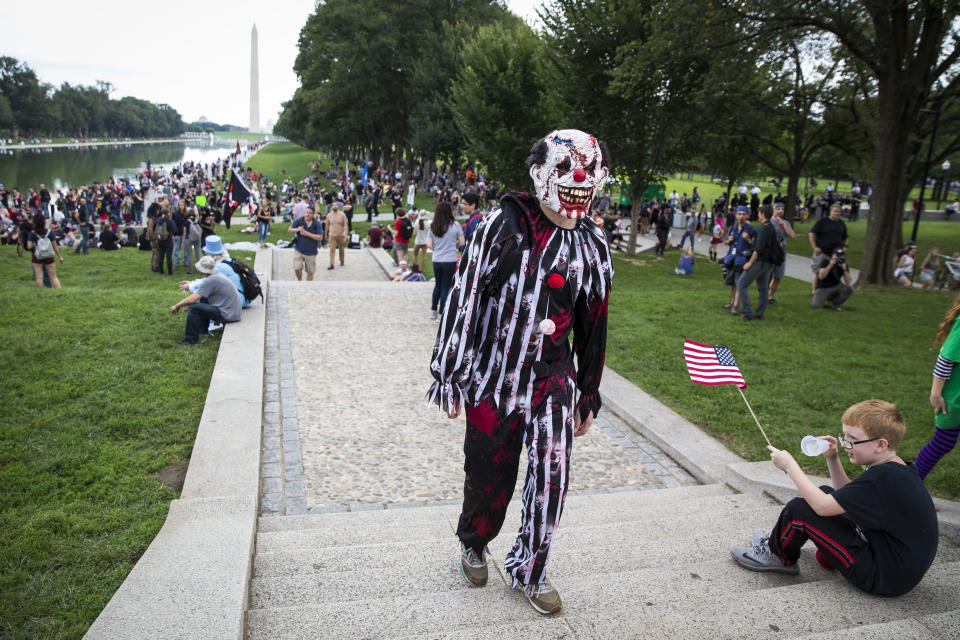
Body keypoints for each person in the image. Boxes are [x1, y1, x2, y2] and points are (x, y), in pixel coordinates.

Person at [429, 129, 612, 615]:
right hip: (495, 373)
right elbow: (463, 301)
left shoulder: (592, 245)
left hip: (553, 378)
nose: (578, 179)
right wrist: (450, 372)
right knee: (489, 472)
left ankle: (530, 568)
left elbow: (595, 321)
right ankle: (475, 539)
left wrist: (588, 392)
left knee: (554, 473)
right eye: (566, 169)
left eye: (588, 171)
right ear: (538, 174)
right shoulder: (499, 226)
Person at [731, 400, 937, 597]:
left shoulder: (881, 478)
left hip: (881, 577)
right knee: (826, 491)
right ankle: (781, 543)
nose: (845, 444)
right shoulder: (894, 468)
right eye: (843, 436)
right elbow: (847, 494)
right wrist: (833, 458)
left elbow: (821, 507)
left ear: (881, 444)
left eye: (852, 440)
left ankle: (778, 556)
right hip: (892, 566)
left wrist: (790, 466)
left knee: (800, 510)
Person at [915, 294, 960, 479]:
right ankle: (911, 485)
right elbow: (945, 359)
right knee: (943, 442)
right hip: (954, 400)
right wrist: (935, 394)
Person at [170, 255, 242, 345]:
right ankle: (202, 330)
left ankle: (191, 339)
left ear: (202, 270)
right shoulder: (216, 275)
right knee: (202, 299)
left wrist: (177, 305)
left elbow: (193, 299)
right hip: (232, 312)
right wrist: (187, 302)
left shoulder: (211, 280)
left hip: (228, 314)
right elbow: (199, 294)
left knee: (193, 308)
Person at [736, 204, 778, 320]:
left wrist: (749, 263)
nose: (758, 215)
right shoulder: (770, 227)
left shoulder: (764, 228)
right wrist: (750, 240)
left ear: (763, 214)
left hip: (760, 262)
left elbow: (758, 250)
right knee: (763, 287)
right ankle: (759, 313)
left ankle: (747, 312)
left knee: (741, 283)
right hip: (768, 263)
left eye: (759, 213)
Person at [426, 201, 464, 320]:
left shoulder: (433, 226)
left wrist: (438, 248)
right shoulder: (456, 225)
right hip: (450, 259)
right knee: (445, 286)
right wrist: (454, 246)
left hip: (437, 259)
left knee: (437, 285)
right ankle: (442, 313)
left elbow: (429, 245)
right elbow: (462, 242)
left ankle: (433, 310)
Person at [722, 207, 756, 314]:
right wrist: (728, 241)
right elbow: (726, 242)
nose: (741, 216)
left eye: (744, 214)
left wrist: (748, 240)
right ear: (736, 215)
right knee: (731, 282)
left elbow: (756, 247)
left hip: (742, 260)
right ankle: (733, 301)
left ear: (747, 216)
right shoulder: (732, 228)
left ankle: (736, 306)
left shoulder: (752, 230)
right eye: (739, 214)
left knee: (739, 282)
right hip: (731, 258)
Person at [809, 204, 848, 291]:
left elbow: (846, 237)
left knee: (836, 271)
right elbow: (812, 233)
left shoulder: (841, 223)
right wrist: (815, 246)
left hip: (836, 253)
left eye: (838, 212)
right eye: (835, 211)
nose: (837, 213)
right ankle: (814, 290)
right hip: (823, 252)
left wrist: (845, 247)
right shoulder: (822, 222)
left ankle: (832, 291)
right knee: (818, 272)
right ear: (830, 212)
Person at [767, 202, 796, 304]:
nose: (780, 211)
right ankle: (764, 295)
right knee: (766, 275)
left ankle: (771, 296)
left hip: (781, 254)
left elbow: (792, 235)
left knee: (778, 276)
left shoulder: (786, 223)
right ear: (773, 209)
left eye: (782, 209)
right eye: (778, 209)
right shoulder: (768, 222)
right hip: (770, 254)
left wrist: (783, 224)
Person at [26, 213, 63, 288]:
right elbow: (55, 246)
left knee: (39, 277)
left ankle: (40, 294)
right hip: (49, 256)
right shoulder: (50, 232)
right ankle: (60, 292)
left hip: (37, 256)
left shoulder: (32, 233)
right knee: (53, 277)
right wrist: (60, 257)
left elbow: (29, 246)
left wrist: (36, 243)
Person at [290, 207, 323, 281]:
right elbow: (290, 230)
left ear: (313, 214)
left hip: (311, 252)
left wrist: (306, 233)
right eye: (306, 212)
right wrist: (297, 229)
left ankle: (307, 285)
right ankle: (300, 280)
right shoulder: (299, 220)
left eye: (310, 213)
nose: (307, 214)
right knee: (297, 268)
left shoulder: (317, 223)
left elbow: (320, 237)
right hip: (299, 249)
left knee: (310, 272)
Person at [325, 203, 348, 270]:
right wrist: (325, 234)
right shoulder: (329, 215)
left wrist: (346, 234)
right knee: (332, 250)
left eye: (336, 205)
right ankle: (331, 264)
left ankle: (342, 260)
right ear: (331, 207)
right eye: (333, 205)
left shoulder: (342, 215)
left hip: (340, 235)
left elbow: (345, 225)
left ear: (338, 206)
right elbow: (327, 225)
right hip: (332, 235)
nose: (335, 206)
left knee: (341, 249)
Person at [154, 207, 176, 275]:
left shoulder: (157, 220)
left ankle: (161, 270)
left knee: (161, 256)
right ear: (168, 214)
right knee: (169, 257)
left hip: (160, 240)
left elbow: (154, 228)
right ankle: (170, 271)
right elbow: (175, 230)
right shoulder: (170, 221)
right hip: (168, 240)